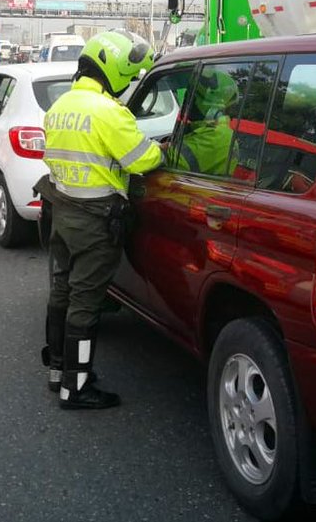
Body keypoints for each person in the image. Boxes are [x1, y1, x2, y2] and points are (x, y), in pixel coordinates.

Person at [38, 29, 163, 410]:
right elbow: (144, 160)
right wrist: (162, 149)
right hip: (94, 220)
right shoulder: (109, 112)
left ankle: (58, 372)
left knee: (62, 291)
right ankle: (75, 390)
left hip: (62, 212)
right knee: (86, 302)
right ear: (115, 70)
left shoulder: (60, 107)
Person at [174, 69, 238, 176]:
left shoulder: (216, 135)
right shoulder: (210, 131)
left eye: (191, 96)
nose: (185, 101)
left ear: (210, 104)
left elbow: (171, 160)